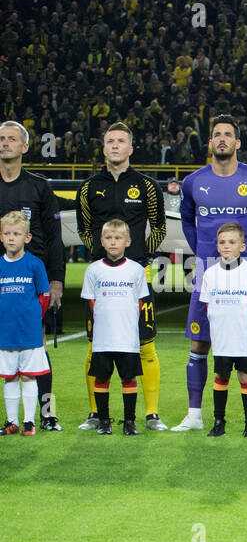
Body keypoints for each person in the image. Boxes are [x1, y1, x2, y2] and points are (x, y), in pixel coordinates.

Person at [173, 115, 247, 433]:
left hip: (244, 271)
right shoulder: (193, 182)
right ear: (209, 142)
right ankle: (195, 414)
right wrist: (200, 251)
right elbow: (187, 220)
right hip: (206, 270)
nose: (221, 139)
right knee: (199, 343)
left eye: (227, 134)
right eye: (216, 134)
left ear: (237, 142)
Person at [76, 123, 167, 430]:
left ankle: (151, 414)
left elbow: (159, 228)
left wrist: (138, 255)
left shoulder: (147, 186)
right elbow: (85, 229)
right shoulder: (88, 188)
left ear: (131, 148)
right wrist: (101, 255)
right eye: (110, 141)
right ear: (103, 148)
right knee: (95, 344)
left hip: (137, 273)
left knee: (145, 343)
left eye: (121, 141)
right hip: (102, 277)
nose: (115, 146)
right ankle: (94, 413)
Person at [0, 120, 64, 430]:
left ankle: (47, 414)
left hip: (30, 280)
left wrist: (56, 280)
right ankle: (12, 419)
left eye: (12, 139)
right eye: (1, 139)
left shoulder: (39, 186)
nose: (5, 144)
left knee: (36, 354)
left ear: (25, 147)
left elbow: (54, 237)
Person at [80, 219, 147, 436]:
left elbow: (140, 302)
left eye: (118, 238)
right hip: (103, 338)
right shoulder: (93, 269)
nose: (113, 242)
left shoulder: (136, 270)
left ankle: (129, 421)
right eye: (108, 238)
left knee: (129, 379)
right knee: (102, 379)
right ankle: (104, 421)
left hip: (127, 337)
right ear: (101, 241)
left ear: (127, 241)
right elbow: (91, 303)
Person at [198, 222, 247, 438]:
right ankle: (219, 422)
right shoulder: (209, 273)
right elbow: (208, 305)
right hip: (222, 336)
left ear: (242, 247)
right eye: (222, 242)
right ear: (217, 246)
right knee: (221, 376)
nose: (227, 246)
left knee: (246, 376)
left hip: (243, 336)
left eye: (232, 242)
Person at [0, 211, 52, 434]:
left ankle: (29, 422)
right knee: (9, 377)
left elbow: (44, 296)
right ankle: (11, 422)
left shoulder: (35, 264)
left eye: (17, 234)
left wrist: (33, 319)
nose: (12, 238)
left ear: (27, 238)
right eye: (7, 233)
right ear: (1, 236)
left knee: (29, 375)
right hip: (5, 332)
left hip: (29, 332)